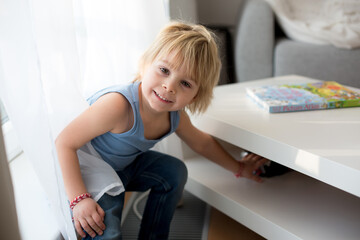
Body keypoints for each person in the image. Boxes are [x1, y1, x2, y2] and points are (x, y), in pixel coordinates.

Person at [55, 21, 268, 240]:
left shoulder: (175, 116)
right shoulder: (118, 105)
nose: (169, 86)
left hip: (121, 168)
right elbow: (64, 143)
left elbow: (201, 143)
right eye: (164, 70)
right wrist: (79, 199)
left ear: (195, 96)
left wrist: (240, 167)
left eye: (185, 83)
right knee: (106, 230)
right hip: (88, 172)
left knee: (174, 171)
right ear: (145, 65)